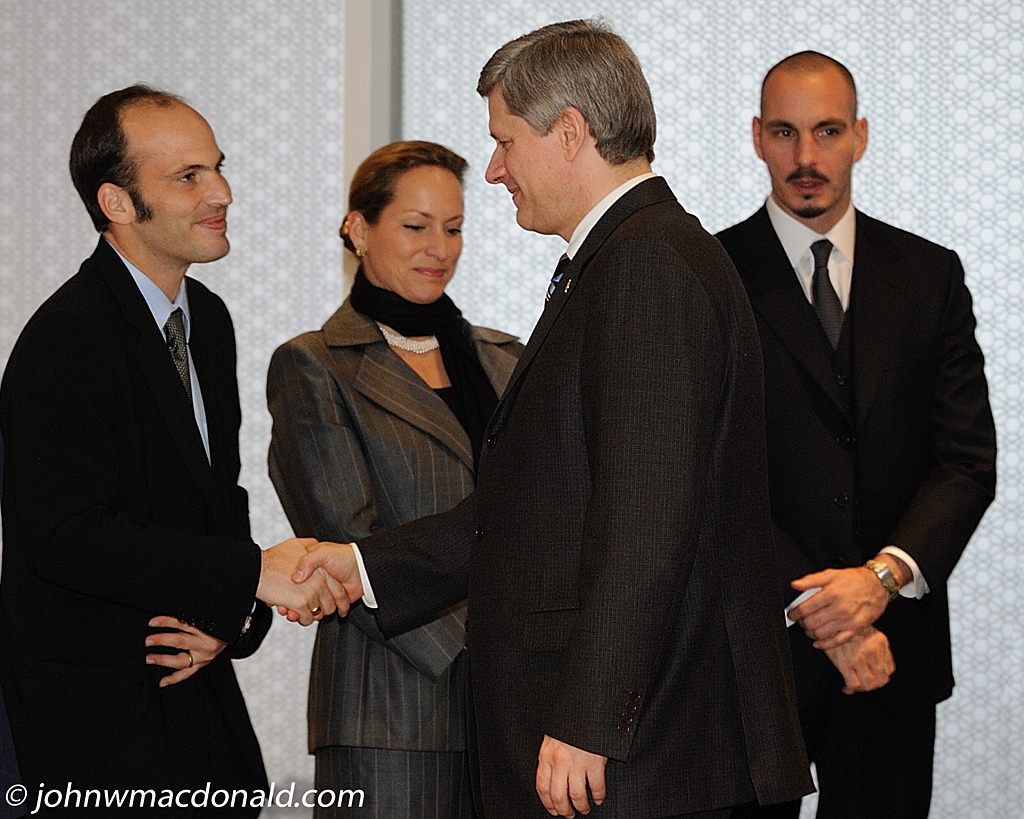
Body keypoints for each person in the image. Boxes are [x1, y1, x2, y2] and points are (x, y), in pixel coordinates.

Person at [291, 20, 811, 819]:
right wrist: (362, 566)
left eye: (505, 141)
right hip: (642, 754)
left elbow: (646, 519)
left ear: (569, 131)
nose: (495, 168)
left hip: (646, 761)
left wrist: (589, 718)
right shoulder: (623, 258)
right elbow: (532, 508)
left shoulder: (644, 264)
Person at [0, 85, 335, 814]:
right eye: (188, 176)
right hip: (95, 725)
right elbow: (65, 537)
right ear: (117, 203)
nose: (222, 193)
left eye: (217, 167)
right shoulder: (65, 337)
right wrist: (252, 574)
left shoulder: (206, 320)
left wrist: (232, 618)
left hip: (200, 715)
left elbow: (217, 503)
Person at [716, 52, 996, 819]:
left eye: (828, 131)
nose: (806, 157)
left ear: (861, 136)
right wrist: (821, 608)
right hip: (750, 661)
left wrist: (878, 581)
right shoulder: (710, 274)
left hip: (893, 650)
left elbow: (966, 462)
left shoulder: (931, 275)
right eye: (785, 132)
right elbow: (704, 474)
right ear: (756, 136)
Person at [267, 141, 522, 818]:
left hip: (517, 706)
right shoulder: (315, 365)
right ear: (358, 228)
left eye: (454, 228)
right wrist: (481, 651)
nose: (439, 248)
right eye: (416, 226)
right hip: (392, 710)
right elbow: (348, 546)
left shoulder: (506, 358)